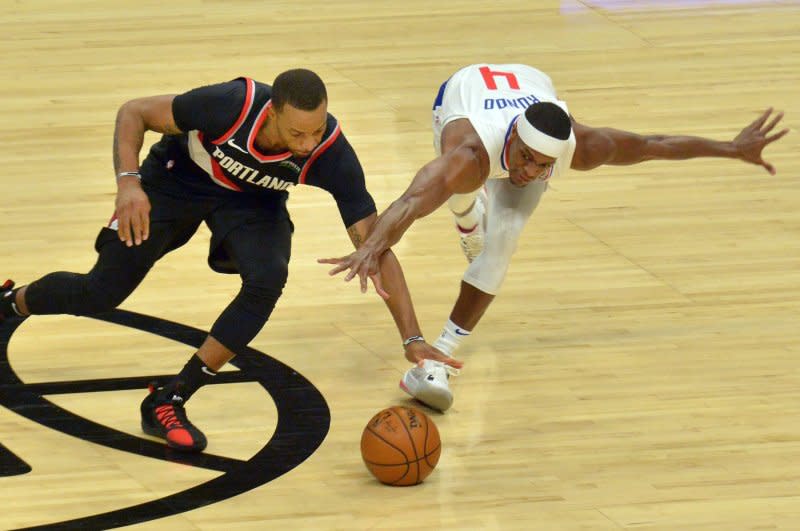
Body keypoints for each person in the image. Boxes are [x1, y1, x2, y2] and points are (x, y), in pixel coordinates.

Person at [0, 69, 459, 452]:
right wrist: (128, 183)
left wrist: (412, 337)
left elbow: (376, 245)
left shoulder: (329, 153)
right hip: (175, 182)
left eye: (315, 131)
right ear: (272, 112)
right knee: (101, 291)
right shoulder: (231, 103)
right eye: (296, 132)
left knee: (267, 279)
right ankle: (12, 301)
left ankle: (170, 397)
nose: (306, 143)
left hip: (251, 203)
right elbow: (134, 112)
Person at [320, 63, 789, 412]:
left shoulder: (580, 148)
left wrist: (730, 148)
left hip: (528, 81)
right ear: (513, 143)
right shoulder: (470, 151)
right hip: (462, 95)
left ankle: (438, 358)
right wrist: (371, 247)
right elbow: (408, 203)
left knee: (502, 240)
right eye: (523, 159)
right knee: (453, 191)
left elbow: (653, 145)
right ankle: (466, 213)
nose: (527, 173)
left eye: (542, 166)